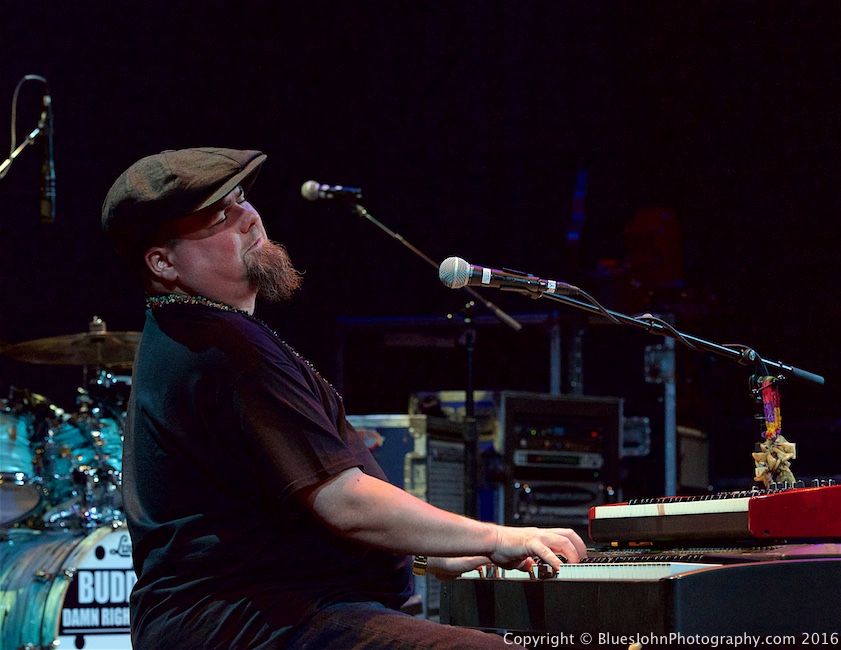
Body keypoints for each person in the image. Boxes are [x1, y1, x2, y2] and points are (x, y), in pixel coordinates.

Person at [101, 147, 587, 649]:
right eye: (219, 217)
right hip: (249, 620)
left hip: (262, 612)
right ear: (163, 262)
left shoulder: (193, 335)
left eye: (242, 198)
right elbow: (344, 501)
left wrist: (430, 554)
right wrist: (498, 537)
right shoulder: (219, 346)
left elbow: (259, 514)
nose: (249, 218)